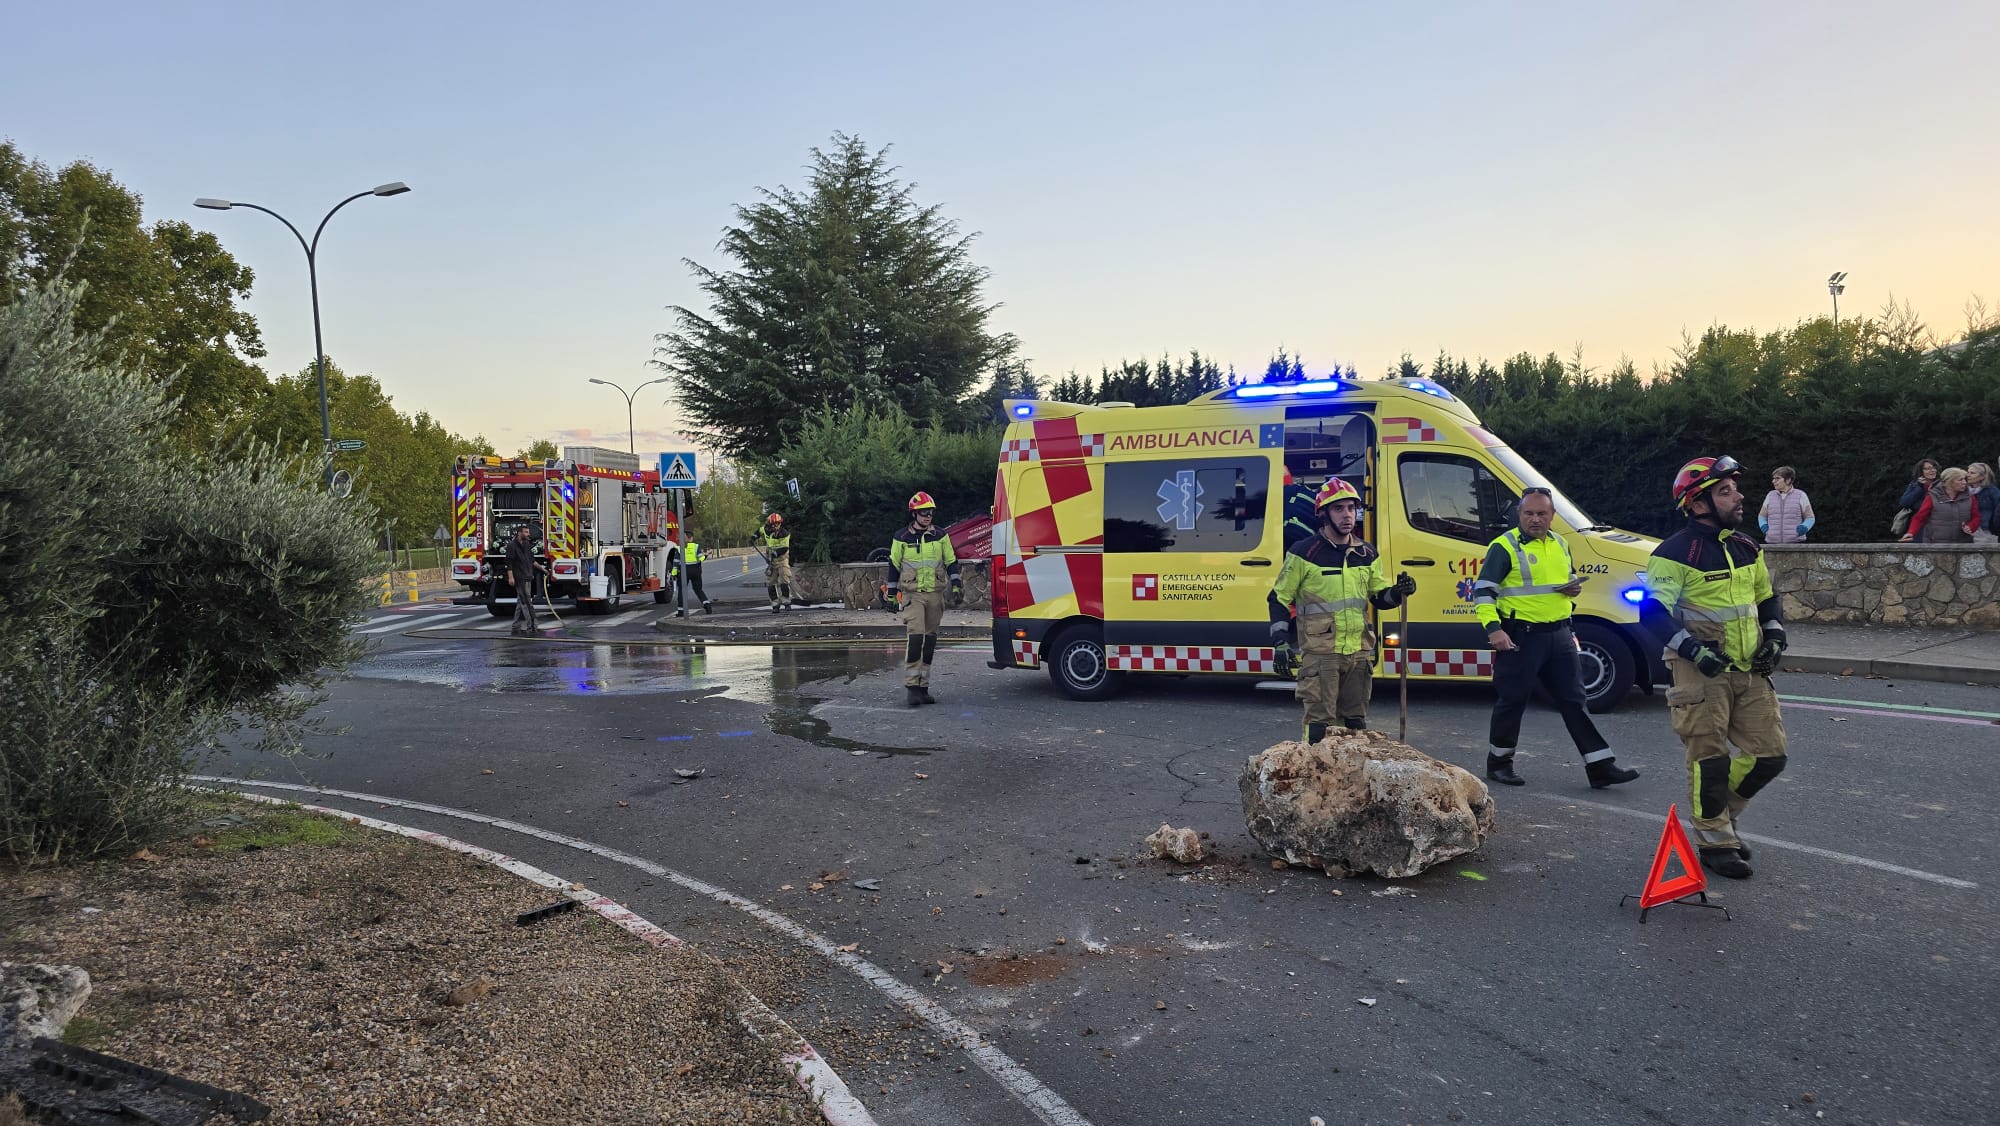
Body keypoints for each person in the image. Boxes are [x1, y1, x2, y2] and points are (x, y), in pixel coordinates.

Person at [1640, 456, 1788, 880]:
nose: (1739, 496)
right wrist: (1691, 649)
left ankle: (1720, 818)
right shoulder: (1672, 554)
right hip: (1699, 671)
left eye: (1734, 489)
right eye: (1726, 491)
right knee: (1710, 759)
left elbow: (1767, 599)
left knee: (1770, 756)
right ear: (1698, 503)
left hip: (1750, 669)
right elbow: (1650, 613)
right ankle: (1715, 841)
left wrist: (1775, 635)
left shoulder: (1745, 546)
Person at [1474, 488, 1638, 788]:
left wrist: (1572, 589)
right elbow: (1483, 592)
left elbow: (1562, 582)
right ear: (1519, 515)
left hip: (1559, 633)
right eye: (1529, 513)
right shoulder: (1505, 546)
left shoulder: (1560, 543)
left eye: (1542, 514)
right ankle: (1499, 763)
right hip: (1521, 635)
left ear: (1551, 516)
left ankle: (1600, 765)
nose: (1535, 519)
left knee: (1575, 701)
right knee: (1513, 700)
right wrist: (1493, 629)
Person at [1268, 479, 1415, 742]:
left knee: (1355, 723)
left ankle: (1350, 781)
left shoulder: (1367, 552)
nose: (1348, 515)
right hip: (1322, 654)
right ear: (1323, 514)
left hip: (1358, 652)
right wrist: (1280, 641)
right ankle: (1313, 776)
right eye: (1339, 509)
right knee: (1319, 727)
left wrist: (1398, 592)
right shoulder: (1304, 553)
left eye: (1351, 508)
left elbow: (1379, 596)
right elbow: (1278, 598)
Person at [886, 491, 960, 706]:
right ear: (914, 514)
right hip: (913, 595)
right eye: (923, 512)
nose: (928, 516)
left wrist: (957, 584)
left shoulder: (940, 535)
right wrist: (891, 595)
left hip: (935, 595)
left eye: (930, 512)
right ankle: (912, 686)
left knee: (929, 641)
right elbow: (893, 565)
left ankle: (923, 687)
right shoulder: (902, 537)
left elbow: (951, 561)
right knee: (916, 637)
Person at [1901, 467, 1981, 543]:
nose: (1964, 482)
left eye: (1964, 479)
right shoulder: (1932, 496)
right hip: (1935, 544)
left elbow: (1976, 517)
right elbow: (1920, 517)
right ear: (1949, 482)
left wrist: (1970, 527)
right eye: (1960, 480)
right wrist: (1911, 532)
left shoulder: (1970, 497)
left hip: (1963, 543)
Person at [504, 524, 547, 636]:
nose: (529, 534)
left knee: (521, 601)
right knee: (526, 602)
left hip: (527, 576)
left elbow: (532, 560)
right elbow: (509, 563)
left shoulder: (527, 544)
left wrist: (543, 569)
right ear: (519, 533)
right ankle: (532, 626)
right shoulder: (511, 546)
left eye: (528, 532)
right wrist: (511, 577)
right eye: (526, 532)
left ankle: (515, 626)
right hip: (519, 577)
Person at [1757, 466, 1815, 544]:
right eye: (1773, 478)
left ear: (1788, 480)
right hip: (1772, 544)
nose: (1773, 481)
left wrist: (1802, 529)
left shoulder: (1801, 495)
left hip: (1796, 544)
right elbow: (1762, 516)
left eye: (1777, 478)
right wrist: (1764, 527)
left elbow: (1810, 518)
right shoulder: (1770, 495)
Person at [755, 512, 794, 612]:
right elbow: (759, 531)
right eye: (775, 524)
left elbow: (785, 548)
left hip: (782, 560)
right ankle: (775, 605)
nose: (777, 526)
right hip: (771, 562)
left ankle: (787, 603)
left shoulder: (785, 534)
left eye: (778, 524)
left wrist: (775, 553)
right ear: (771, 524)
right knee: (771, 584)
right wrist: (753, 537)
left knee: (784, 581)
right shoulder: (766, 530)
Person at [1894, 458, 1940, 537]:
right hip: (1919, 524)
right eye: (1928, 469)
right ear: (1921, 471)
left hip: (1938, 523)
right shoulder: (1915, 485)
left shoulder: (1941, 485)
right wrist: (1919, 487)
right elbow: (1904, 503)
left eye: (1934, 468)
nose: (1932, 470)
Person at [679, 522, 713, 614]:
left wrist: (675, 572)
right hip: (696, 571)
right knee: (698, 589)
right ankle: (707, 604)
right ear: (692, 538)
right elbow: (701, 558)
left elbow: (676, 561)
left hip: (684, 570)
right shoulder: (695, 546)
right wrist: (706, 555)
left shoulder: (679, 547)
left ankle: (681, 611)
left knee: (682, 590)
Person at [1968, 462, 2000, 544]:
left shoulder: (1992, 491)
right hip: (1967, 530)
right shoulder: (1963, 491)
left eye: (1972, 473)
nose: (1968, 475)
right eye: (1968, 472)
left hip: (1986, 531)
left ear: (1982, 477)